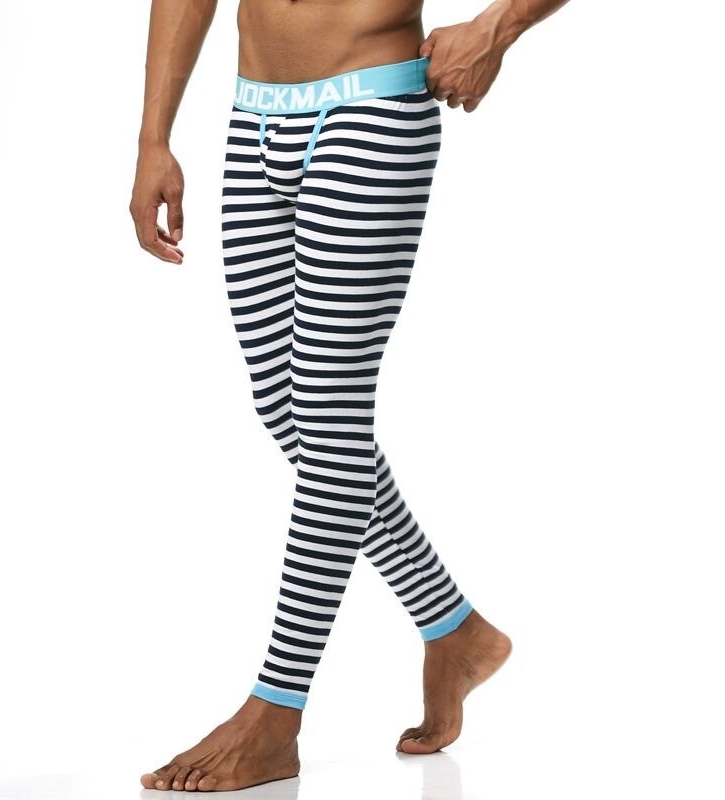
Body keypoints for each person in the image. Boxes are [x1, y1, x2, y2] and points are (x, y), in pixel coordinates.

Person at [129, 0, 569, 792]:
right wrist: (152, 137)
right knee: (289, 413)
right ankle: (455, 630)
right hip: (254, 116)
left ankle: (276, 712)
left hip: (369, 112)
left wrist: (497, 28)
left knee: (329, 420)